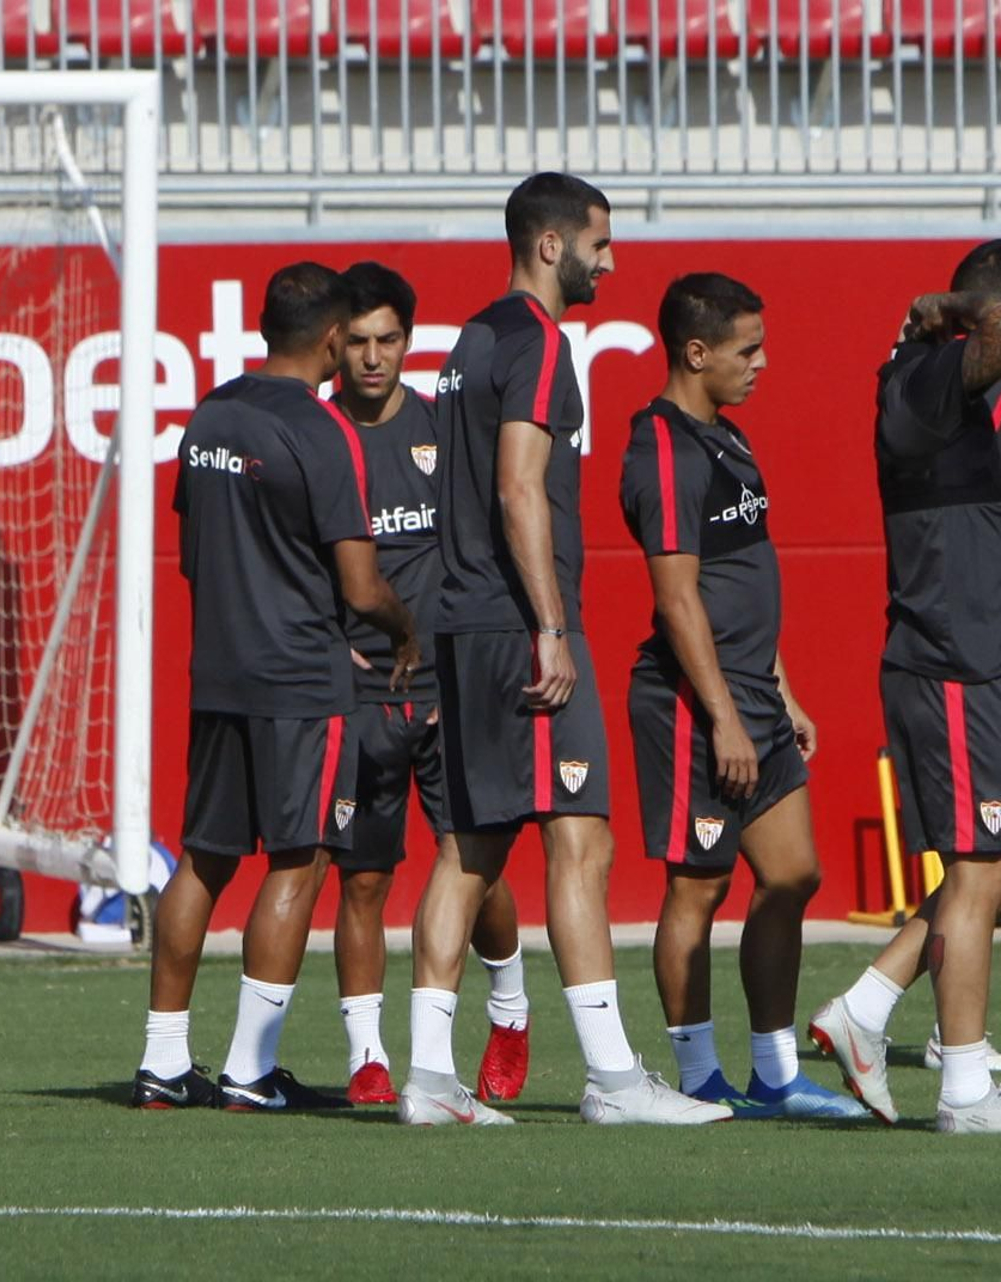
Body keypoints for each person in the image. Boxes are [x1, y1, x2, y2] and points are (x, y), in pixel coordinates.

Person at [401, 173, 731, 1126]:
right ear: (553, 246)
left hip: (467, 624)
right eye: (601, 241)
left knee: (469, 846)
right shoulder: (539, 342)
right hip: (517, 628)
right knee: (580, 841)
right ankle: (615, 1081)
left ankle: (428, 1076)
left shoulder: (472, 338)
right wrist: (550, 625)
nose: (612, 260)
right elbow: (517, 489)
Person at [133, 262, 418, 1111]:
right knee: (301, 858)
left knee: (205, 858)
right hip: (300, 680)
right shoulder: (325, 433)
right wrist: (405, 631)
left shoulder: (208, 416)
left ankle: (161, 1062)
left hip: (219, 672)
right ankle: (250, 1070)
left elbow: (190, 556)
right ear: (333, 339)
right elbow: (364, 588)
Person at [807, 240, 1001, 1134]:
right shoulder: (922, 375)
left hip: (985, 663)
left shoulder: (941, 377)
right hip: (951, 661)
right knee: (975, 870)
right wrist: (949, 304)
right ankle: (964, 1088)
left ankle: (869, 1006)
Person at [620, 273, 868, 1121]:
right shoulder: (658, 447)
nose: (762, 364)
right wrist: (724, 714)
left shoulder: (729, 439)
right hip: (695, 705)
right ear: (696, 352)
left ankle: (775, 1073)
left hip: (753, 696)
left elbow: (743, 582)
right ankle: (698, 1078)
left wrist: (781, 690)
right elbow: (678, 598)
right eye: (746, 349)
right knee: (698, 887)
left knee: (794, 874)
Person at [330, 261, 531, 1107]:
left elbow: (481, 545)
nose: (373, 358)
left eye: (388, 341)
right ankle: (367, 1057)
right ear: (335, 344)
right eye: (359, 343)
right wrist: (330, 648)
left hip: (451, 683)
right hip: (361, 691)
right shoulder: (320, 435)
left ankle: (512, 1006)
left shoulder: (444, 430)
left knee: (477, 867)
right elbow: (303, 565)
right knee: (364, 879)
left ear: (408, 342)